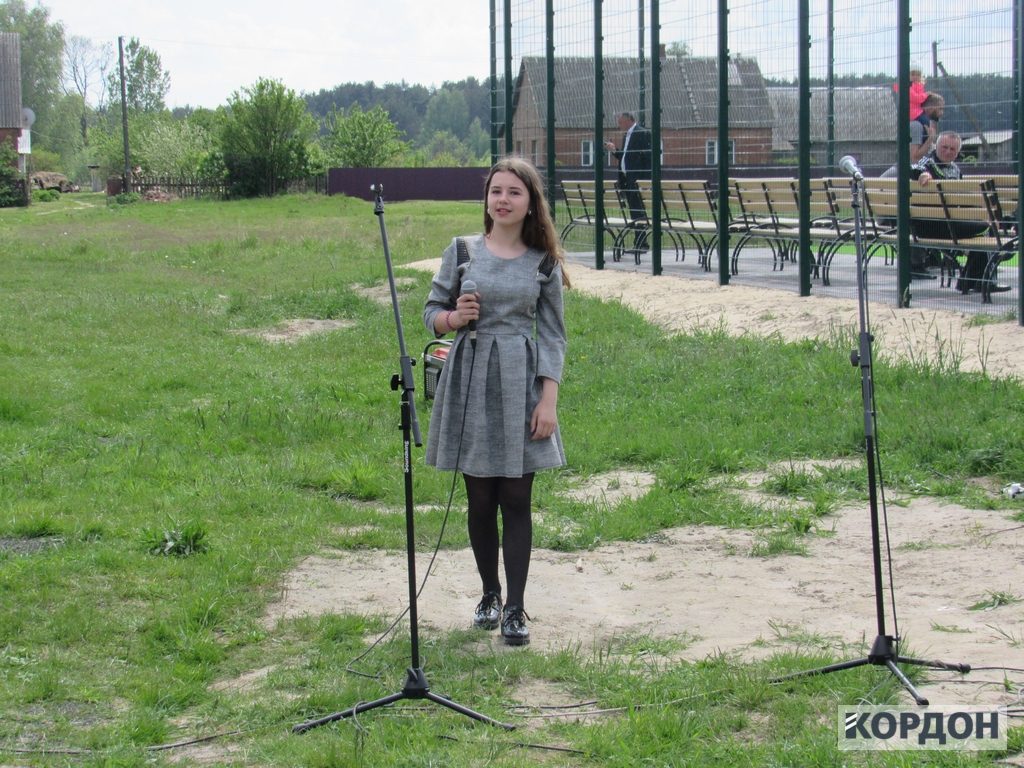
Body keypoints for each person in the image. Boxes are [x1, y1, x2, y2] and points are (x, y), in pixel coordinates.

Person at [423, 156, 570, 646]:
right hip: (470, 380)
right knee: (481, 498)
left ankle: (515, 607)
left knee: (517, 497)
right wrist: (453, 318)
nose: (503, 200)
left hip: (520, 383)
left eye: (514, 192)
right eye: (496, 191)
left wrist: (547, 400)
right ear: (486, 199)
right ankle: (489, 593)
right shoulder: (463, 251)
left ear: (530, 204)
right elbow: (431, 311)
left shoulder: (543, 262)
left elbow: (553, 336)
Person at [909, 131, 1010, 294]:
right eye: (944, 147)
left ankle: (972, 281)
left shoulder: (955, 169)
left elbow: (962, 202)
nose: (948, 152)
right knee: (987, 229)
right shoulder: (928, 162)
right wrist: (923, 174)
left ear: (957, 153)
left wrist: (983, 214)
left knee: (986, 228)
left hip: (948, 224)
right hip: (931, 226)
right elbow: (915, 169)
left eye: (952, 149)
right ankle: (977, 282)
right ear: (936, 146)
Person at [604, 111, 652, 224]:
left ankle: (641, 234)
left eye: (620, 122)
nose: (619, 125)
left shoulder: (642, 133)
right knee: (634, 210)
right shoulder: (627, 135)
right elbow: (626, 157)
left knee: (638, 210)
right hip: (627, 179)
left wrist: (646, 181)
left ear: (628, 121)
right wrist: (614, 150)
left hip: (637, 179)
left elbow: (649, 158)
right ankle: (638, 233)